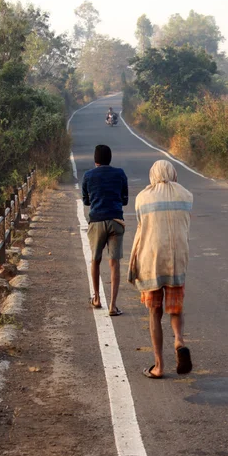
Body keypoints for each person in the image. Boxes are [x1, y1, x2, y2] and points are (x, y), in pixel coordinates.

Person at [128, 160, 193, 378]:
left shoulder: (142, 198)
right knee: (175, 308)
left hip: (151, 262)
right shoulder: (186, 195)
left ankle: (159, 366)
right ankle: (179, 340)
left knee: (154, 312)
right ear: (173, 173)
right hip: (176, 260)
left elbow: (141, 227)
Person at [82, 145, 128, 316]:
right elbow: (125, 199)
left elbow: (86, 201)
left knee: (95, 260)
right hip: (116, 221)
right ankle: (113, 306)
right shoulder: (120, 174)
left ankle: (96, 298)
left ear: (95, 160)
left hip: (96, 221)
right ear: (110, 158)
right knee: (114, 263)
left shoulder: (88, 176)